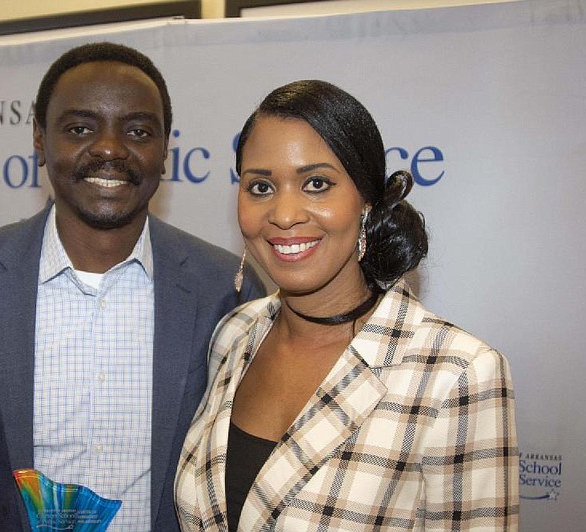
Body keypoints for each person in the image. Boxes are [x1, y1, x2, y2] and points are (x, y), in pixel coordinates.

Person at [0, 42, 264, 532]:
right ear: (40, 137)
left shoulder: (230, 293)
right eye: (80, 128)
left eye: (138, 131)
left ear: (165, 149)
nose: (108, 149)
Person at [175, 80, 518, 530]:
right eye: (260, 187)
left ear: (367, 201)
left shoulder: (457, 375)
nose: (284, 214)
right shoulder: (235, 334)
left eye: (316, 183)